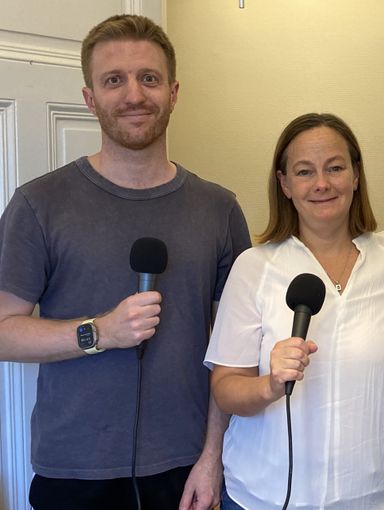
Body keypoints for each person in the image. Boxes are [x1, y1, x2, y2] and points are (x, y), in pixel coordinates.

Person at [0, 14, 251, 510]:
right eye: (114, 80)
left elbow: (235, 350)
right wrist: (100, 332)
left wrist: (212, 456)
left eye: (149, 78)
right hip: (73, 470)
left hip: (186, 469)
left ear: (173, 92)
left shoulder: (219, 209)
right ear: (90, 97)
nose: (134, 95)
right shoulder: (38, 205)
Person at [205, 113, 384, 510]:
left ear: (355, 175)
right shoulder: (254, 268)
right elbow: (226, 387)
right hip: (261, 497)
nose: (321, 183)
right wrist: (269, 385)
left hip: (373, 497)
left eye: (335, 167)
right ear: (284, 184)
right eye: (304, 171)